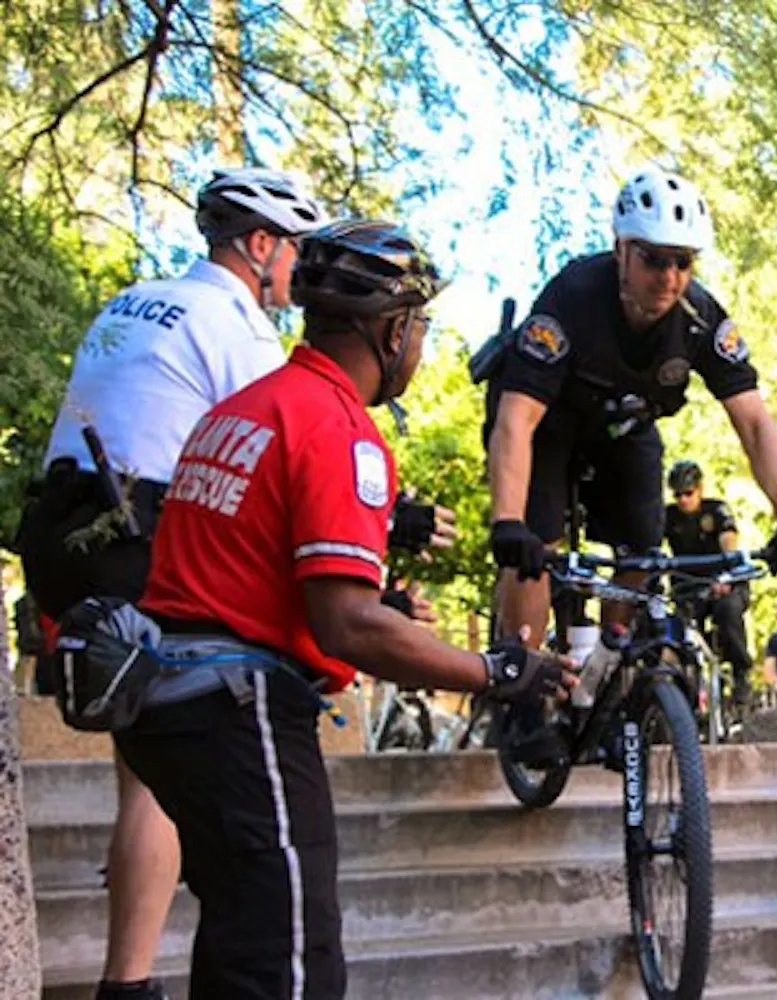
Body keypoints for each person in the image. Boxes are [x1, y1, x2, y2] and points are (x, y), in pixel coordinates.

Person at [108, 219, 571, 999]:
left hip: (168, 707)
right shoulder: (340, 430)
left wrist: (379, 606)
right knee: (292, 964)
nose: (422, 343)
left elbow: (233, 569)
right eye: (420, 324)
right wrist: (495, 669)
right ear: (391, 331)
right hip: (240, 714)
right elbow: (346, 625)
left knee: (239, 942)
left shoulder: (243, 411)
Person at [13, 167, 327, 1000]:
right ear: (260, 246)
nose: (299, 270)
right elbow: (280, 451)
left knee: (143, 758)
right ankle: (129, 983)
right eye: (296, 250)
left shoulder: (135, 299)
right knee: (159, 770)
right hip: (135, 532)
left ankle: (131, 973)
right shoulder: (238, 325)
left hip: (62, 529)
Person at [483, 166, 777, 760]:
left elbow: (754, 420)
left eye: (683, 262)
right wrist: (508, 523)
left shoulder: (700, 318)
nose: (670, 278)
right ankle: (522, 689)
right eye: (655, 260)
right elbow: (516, 420)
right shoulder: (571, 299)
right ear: (621, 251)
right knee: (537, 549)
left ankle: (607, 679)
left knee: (642, 551)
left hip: (625, 428)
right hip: (548, 424)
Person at [663, 459, 754, 713]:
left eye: (688, 493)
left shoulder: (717, 511)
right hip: (688, 586)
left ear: (700, 489)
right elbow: (651, 543)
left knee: (727, 610)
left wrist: (726, 574)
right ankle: (684, 687)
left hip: (724, 581)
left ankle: (741, 674)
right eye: (678, 494)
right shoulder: (668, 516)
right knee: (678, 627)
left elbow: (729, 540)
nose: (683, 500)